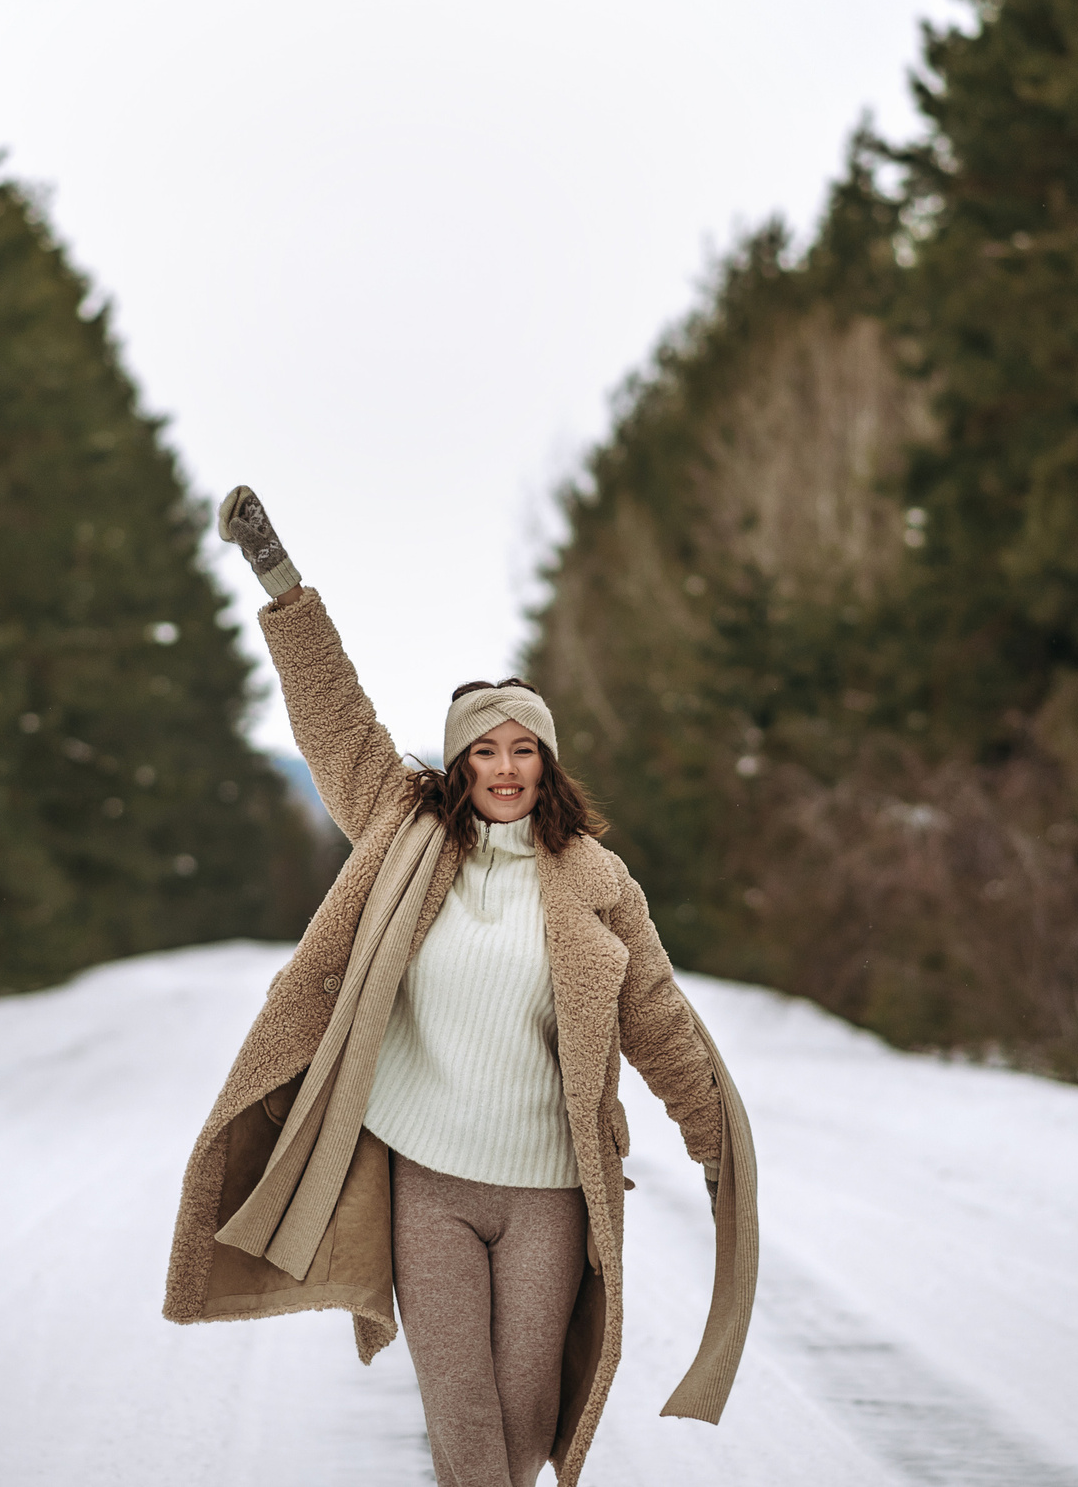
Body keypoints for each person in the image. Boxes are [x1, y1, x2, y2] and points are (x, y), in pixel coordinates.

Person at [162, 486, 758, 1487]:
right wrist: (276, 575)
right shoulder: (404, 837)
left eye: (522, 746)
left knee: (525, 1428)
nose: (505, 766)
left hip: (551, 1191)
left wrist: (711, 1146)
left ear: (547, 759)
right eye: (484, 747)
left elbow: (656, 1021)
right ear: (457, 760)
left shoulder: (597, 882)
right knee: (466, 1427)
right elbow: (333, 715)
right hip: (427, 1183)